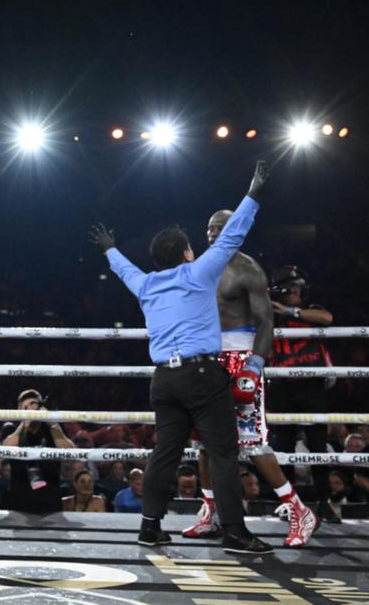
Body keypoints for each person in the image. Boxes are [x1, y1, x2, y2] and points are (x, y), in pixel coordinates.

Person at [88, 161, 273, 554]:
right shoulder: (199, 272)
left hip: (164, 382)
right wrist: (254, 192)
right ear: (188, 253)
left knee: (165, 453)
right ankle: (236, 533)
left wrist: (109, 249)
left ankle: (150, 526)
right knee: (223, 452)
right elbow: (233, 233)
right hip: (202, 376)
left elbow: (125, 271)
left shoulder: (146, 285)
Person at [182, 209, 317, 547]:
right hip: (206, 358)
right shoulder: (202, 267)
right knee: (204, 443)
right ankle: (210, 511)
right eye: (209, 227)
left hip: (240, 357)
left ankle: (298, 509)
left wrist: (254, 364)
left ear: (237, 230)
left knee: (251, 442)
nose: (213, 233)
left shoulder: (248, 269)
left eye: (221, 227)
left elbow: (266, 321)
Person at [268, 264, 336, 516]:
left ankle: (323, 500)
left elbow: (327, 319)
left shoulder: (310, 310)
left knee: (317, 442)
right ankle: (290, 501)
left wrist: (289, 310)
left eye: (297, 287)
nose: (295, 291)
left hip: (312, 384)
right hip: (281, 385)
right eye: (290, 288)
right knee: (283, 445)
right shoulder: (271, 313)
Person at [1, 389, 75, 514]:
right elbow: (5, 451)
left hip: (50, 499)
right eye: (25, 407)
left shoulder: (52, 428)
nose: (29, 409)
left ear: (41, 407)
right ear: (19, 410)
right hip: (19, 499)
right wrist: (24, 424)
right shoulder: (11, 428)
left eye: (33, 404)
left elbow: (71, 453)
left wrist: (51, 421)